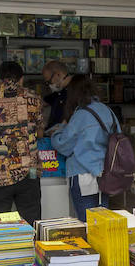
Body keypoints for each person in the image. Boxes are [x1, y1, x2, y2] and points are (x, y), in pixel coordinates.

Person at [0, 60, 44, 224]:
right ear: (21, 79)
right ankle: (31, 248)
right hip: (29, 171)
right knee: (30, 221)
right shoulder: (33, 97)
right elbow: (40, 132)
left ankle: (2, 249)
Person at [49, 74, 118, 221]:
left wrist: (59, 130)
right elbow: (118, 139)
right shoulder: (107, 111)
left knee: (85, 221)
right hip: (106, 174)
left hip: (83, 175)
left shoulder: (80, 115)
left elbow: (64, 145)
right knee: (102, 221)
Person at [42, 60, 73, 127]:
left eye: (49, 81)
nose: (49, 85)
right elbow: (43, 102)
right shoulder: (59, 92)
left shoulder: (76, 92)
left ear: (58, 74)